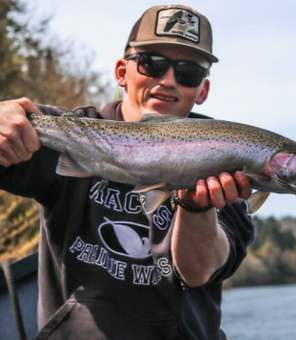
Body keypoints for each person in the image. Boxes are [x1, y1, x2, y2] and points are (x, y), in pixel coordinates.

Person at [0, 5, 255, 340]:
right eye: (152, 64)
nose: (167, 81)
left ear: (202, 91)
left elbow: (198, 272)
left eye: (188, 72)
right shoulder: (67, 131)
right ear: (122, 72)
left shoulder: (227, 162)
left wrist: (196, 206)